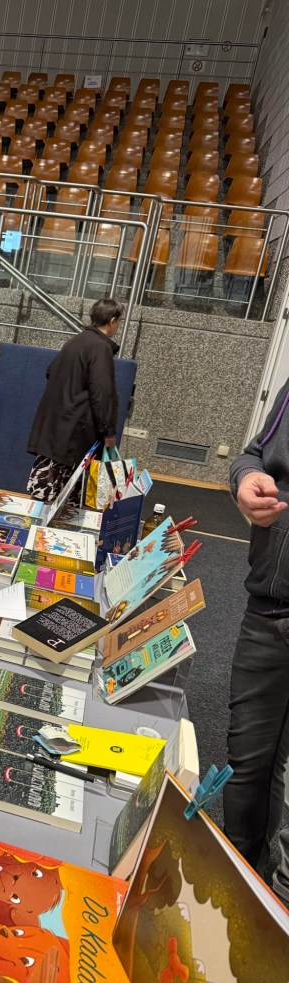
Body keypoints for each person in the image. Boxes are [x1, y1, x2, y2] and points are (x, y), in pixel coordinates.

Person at [225, 381, 289, 906]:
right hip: (267, 609)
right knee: (246, 763)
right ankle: (239, 893)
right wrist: (247, 479)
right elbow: (252, 454)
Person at [26, 296, 123, 501]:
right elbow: (102, 392)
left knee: (44, 494)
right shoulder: (100, 347)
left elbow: (50, 371)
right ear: (113, 320)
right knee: (64, 498)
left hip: (54, 429)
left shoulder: (76, 340)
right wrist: (108, 431)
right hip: (73, 434)